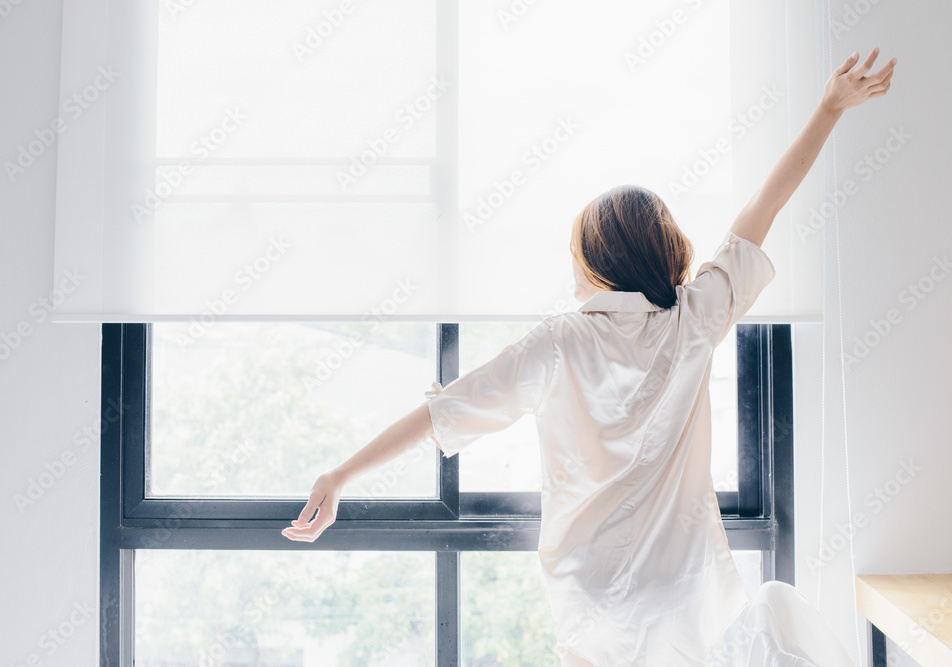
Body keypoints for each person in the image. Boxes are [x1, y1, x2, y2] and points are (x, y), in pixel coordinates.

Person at [283, 47, 897, 666]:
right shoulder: (694, 318)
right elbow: (760, 214)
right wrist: (828, 109)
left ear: (597, 261)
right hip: (681, 588)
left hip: (590, 591)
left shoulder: (559, 342)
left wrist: (340, 476)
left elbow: (442, 414)